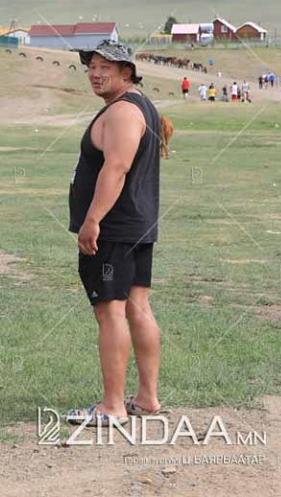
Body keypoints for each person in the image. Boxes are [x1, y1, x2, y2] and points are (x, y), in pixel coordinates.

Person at [67, 40, 162, 426]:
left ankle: (113, 405)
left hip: (115, 230)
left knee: (111, 313)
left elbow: (117, 168)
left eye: (106, 66)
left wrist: (92, 220)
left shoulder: (123, 111)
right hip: (136, 226)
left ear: (127, 72)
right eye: (91, 65)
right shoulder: (138, 107)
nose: (95, 72)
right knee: (138, 308)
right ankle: (146, 399)